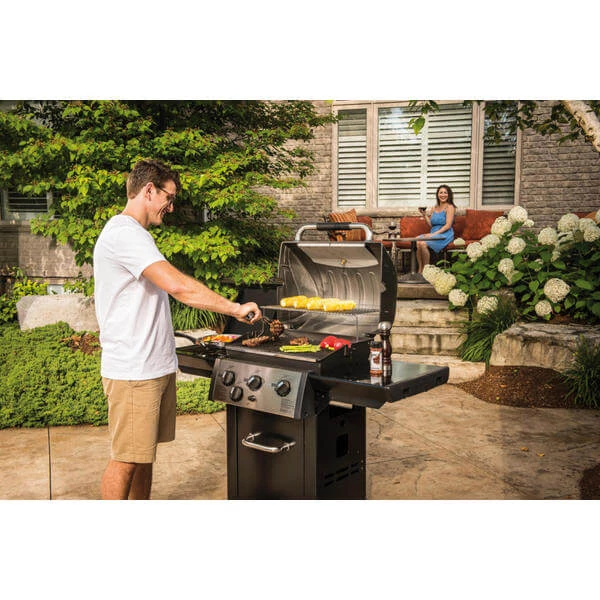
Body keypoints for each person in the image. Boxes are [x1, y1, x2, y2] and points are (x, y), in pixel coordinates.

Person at [93, 159, 262, 500]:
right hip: (134, 370)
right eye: (168, 198)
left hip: (151, 367)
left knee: (143, 457)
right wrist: (234, 308)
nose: (170, 207)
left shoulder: (137, 235)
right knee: (125, 460)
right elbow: (179, 287)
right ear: (148, 190)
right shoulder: (124, 234)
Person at [416, 184, 456, 273]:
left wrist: (433, 234)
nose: (443, 195)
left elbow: (448, 225)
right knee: (418, 241)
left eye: (445, 193)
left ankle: (426, 271)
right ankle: (420, 270)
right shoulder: (434, 207)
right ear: (437, 195)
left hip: (445, 234)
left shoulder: (450, 207)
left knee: (423, 243)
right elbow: (431, 224)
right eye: (441, 192)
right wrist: (424, 215)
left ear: (449, 194)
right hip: (434, 233)